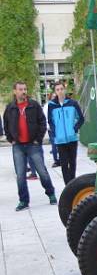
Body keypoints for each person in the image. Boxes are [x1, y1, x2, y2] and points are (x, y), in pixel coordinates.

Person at [3, 81, 57, 210]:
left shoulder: (34, 105)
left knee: (42, 171)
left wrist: (38, 139)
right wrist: (11, 139)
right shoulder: (10, 108)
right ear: (14, 91)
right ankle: (23, 201)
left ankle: (51, 194)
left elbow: (42, 122)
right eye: (21, 89)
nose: (23, 91)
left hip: (33, 144)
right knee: (20, 175)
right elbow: (6, 125)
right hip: (18, 146)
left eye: (25, 89)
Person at [48, 81, 85, 185]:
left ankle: (72, 184)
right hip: (60, 140)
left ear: (65, 90)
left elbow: (81, 118)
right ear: (55, 92)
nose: (60, 91)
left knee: (72, 163)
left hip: (72, 138)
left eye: (61, 89)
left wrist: (75, 129)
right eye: (57, 90)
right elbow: (50, 121)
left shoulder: (73, 103)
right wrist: (55, 132)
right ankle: (67, 186)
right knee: (64, 165)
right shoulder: (52, 105)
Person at [46, 92, 60, 168]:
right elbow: (46, 117)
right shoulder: (48, 106)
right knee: (54, 145)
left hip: (59, 128)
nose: (54, 97)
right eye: (53, 96)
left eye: (55, 96)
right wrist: (49, 126)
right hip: (51, 128)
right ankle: (56, 161)